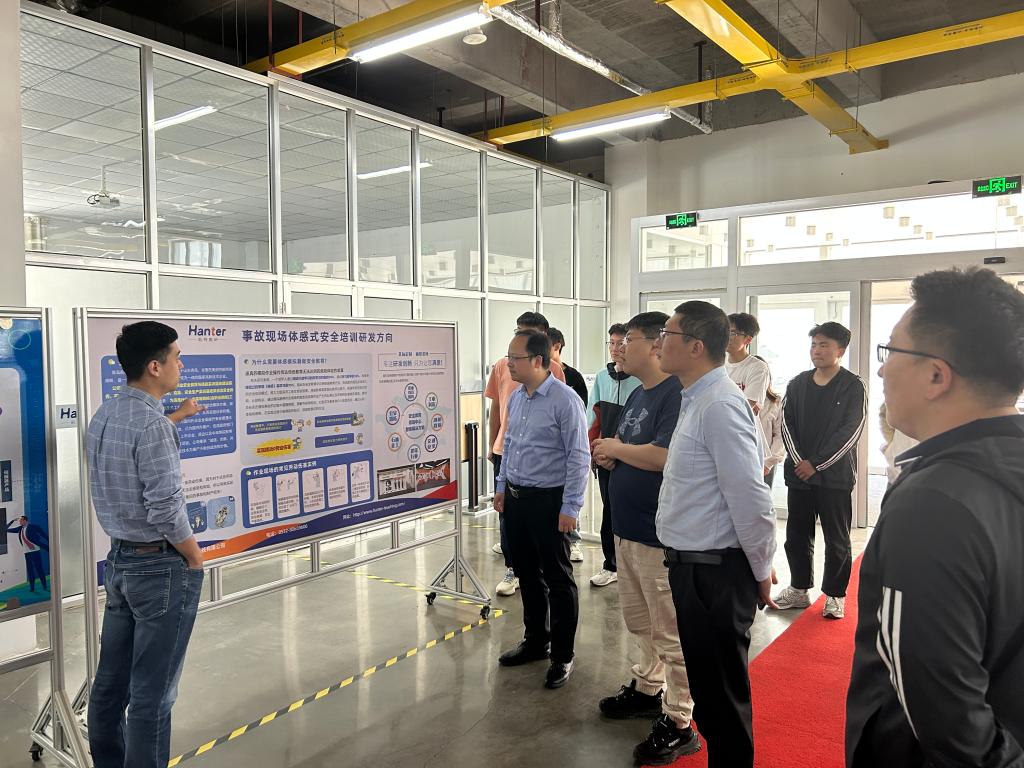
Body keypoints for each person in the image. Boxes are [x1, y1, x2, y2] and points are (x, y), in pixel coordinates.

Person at [846, 267, 1024, 767]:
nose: (882, 371)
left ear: (936, 376)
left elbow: (942, 713)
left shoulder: (931, 504)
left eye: (890, 352)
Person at [655, 301, 778, 768]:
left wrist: (761, 569)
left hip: (716, 575)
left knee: (722, 701)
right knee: (710, 695)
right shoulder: (697, 399)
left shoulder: (720, 405)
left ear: (695, 346)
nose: (658, 343)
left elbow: (749, 495)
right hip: (694, 570)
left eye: (667, 334)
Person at [86, 321, 207, 768]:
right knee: (152, 697)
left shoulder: (106, 414)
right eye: (177, 357)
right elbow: (165, 508)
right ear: (155, 366)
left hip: (119, 561)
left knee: (110, 686)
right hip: (158, 569)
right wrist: (193, 555)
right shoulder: (153, 425)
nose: (181, 365)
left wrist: (175, 417)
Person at [591, 312, 699, 765]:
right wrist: (611, 454)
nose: (618, 348)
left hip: (658, 536)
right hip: (627, 530)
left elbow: (664, 455)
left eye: (627, 340)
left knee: (670, 631)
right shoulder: (638, 393)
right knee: (641, 622)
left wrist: (616, 450)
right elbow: (627, 443)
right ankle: (648, 688)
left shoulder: (675, 394)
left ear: (655, 345)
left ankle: (680, 720)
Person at [495, 330, 590, 689]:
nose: (508, 364)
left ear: (538, 360)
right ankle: (536, 640)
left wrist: (571, 505)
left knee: (558, 578)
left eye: (514, 358)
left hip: (549, 502)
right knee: (526, 573)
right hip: (516, 499)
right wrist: (501, 486)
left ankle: (562, 655)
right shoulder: (517, 397)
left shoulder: (566, 400)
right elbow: (510, 445)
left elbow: (578, 456)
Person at [775, 321, 866, 620]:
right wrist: (801, 461)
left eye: (824, 344)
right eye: (814, 344)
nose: (817, 350)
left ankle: (835, 595)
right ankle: (799, 589)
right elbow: (786, 425)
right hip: (799, 476)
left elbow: (851, 431)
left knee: (837, 539)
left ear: (841, 350)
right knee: (796, 535)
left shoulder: (853, 385)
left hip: (834, 477)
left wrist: (816, 463)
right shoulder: (797, 384)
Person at [485, 312, 566, 598]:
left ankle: (540, 570)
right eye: (518, 331)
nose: (521, 337)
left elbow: (574, 449)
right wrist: (492, 444)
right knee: (508, 520)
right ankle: (513, 567)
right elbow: (497, 408)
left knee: (546, 540)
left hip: (542, 468)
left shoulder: (555, 374)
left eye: (528, 333)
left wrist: (571, 505)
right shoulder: (503, 368)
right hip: (507, 453)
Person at [586, 323, 640, 587]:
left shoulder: (640, 379)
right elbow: (592, 419)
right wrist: (594, 451)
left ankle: (631, 566)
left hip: (632, 458)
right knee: (608, 511)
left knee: (630, 511)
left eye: (622, 343)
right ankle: (611, 564)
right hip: (605, 459)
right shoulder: (602, 377)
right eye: (612, 343)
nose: (616, 348)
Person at [548, 327, 588, 563]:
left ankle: (574, 541)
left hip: (567, 451)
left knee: (570, 498)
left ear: (557, 347)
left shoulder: (572, 378)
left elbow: (581, 415)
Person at [726, 313, 771, 415]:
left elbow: (745, 407)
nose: (727, 337)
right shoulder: (718, 365)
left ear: (748, 339)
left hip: (742, 424)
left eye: (732, 333)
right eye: (725, 332)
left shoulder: (758, 367)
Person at [5, 515, 49, 592]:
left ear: (25, 521)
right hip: (27, 552)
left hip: (35, 551)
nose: (20, 522)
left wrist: (50, 543)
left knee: (39, 569)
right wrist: (12, 521)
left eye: (21, 520)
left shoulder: (33, 527)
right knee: (30, 570)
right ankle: (32, 588)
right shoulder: (19, 529)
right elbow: (5, 529)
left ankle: (44, 586)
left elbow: (44, 535)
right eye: (19, 521)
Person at [760, 378, 786, 487]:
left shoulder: (776, 402)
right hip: (738, 459)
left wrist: (768, 463)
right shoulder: (736, 399)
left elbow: (781, 435)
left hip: (765, 462)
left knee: (762, 496)